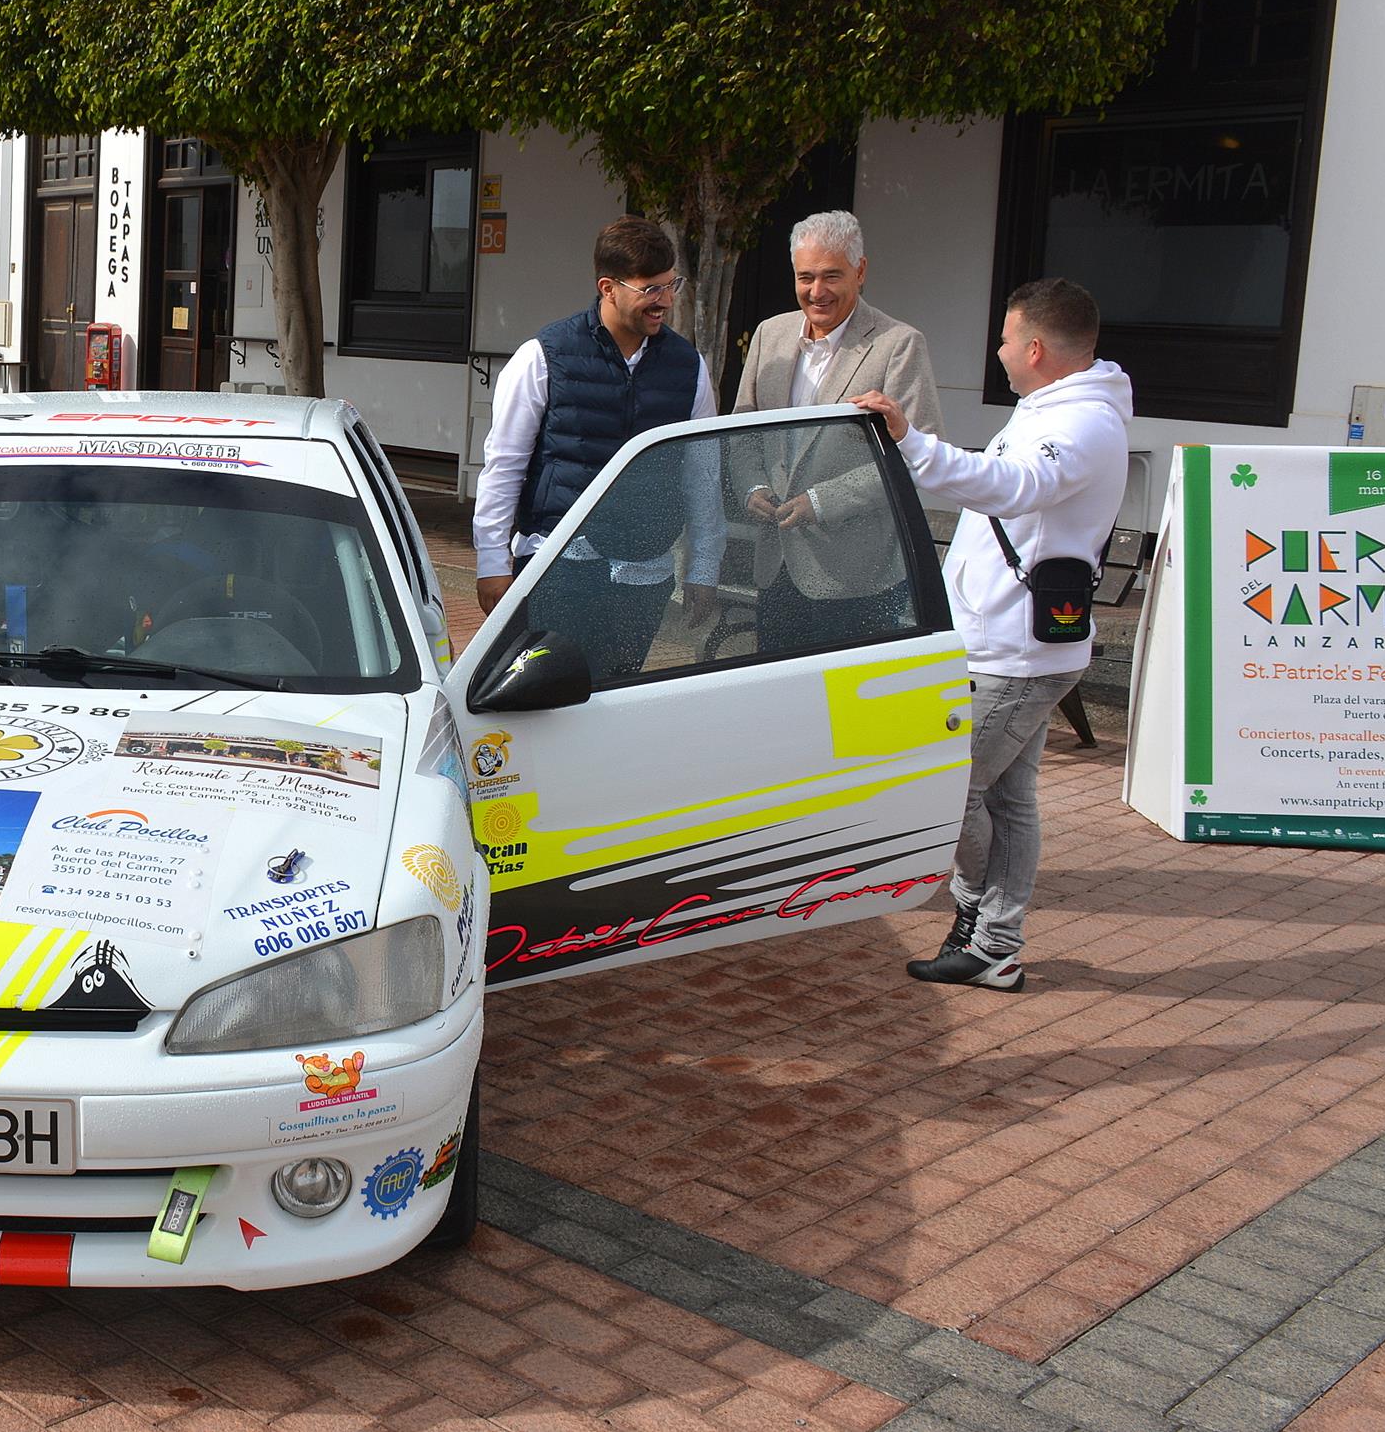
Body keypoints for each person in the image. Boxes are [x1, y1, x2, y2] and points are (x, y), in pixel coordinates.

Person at [852, 277, 1132, 991]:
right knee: (1006, 799)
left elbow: (1010, 487)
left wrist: (911, 440)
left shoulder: (1083, 424)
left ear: (1034, 347)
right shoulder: (1052, 408)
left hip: (1020, 654)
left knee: (950, 792)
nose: (999, 351)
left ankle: (982, 933)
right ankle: (992, 943)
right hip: (1010, 643)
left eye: (1005, 338)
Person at [473, 216, 721, 682]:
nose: (665, 301)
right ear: (608, 287)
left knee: (616, 697)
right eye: (651, 289)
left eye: (671, 286)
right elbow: (503, 466)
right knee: (542, 699)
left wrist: (704, 566)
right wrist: (492, 564)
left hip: (643, 574)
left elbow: (702, 475)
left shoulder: (689, 368)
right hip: (555, 568)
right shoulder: (543, 356)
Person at [731, 211, 942, 653]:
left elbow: (916, 453)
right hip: (776, 568)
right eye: (805, 277)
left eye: (832, 276)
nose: (816, 291)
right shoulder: (771, 334)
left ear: (860, 271)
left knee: (848, 716)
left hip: (858, 575)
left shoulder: (898, 345)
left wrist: (821, 502)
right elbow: (742, 430)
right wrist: (751, 485)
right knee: (781, 703)